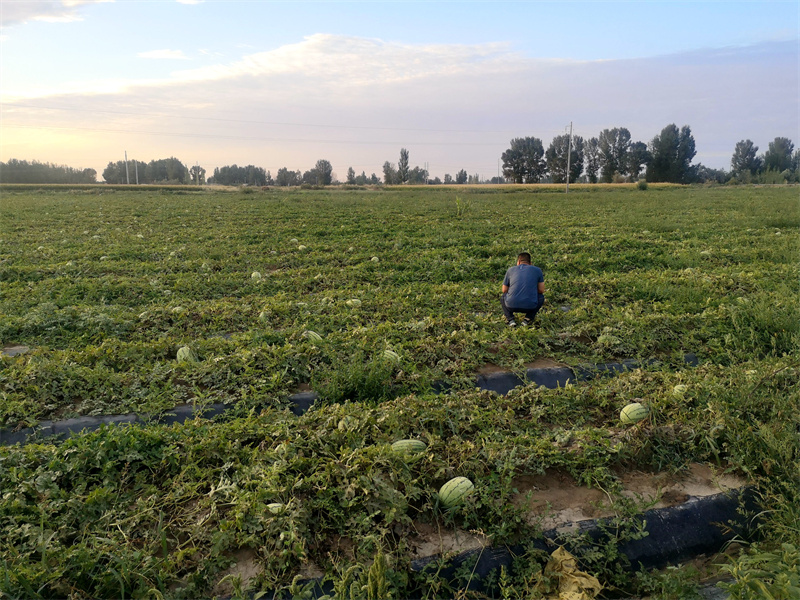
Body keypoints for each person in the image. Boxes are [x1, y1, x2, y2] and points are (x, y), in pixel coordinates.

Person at [500, 252, 544, 327]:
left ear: (518, 262)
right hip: (530, 305)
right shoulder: (538, 270)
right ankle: (527, 319)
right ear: (530, 263)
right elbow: (541, 290)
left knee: (503, 297)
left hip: (511, 305)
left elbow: (504, 290)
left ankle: (510, 319)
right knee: (541, 297)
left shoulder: (510, 270)